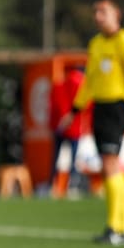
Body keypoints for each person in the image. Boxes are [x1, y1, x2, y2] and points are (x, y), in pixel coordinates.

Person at [58, 0, 124, 246]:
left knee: (110, 165)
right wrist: (75, 110)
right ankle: (122, 229)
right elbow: (90, 81)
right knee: (110, 166)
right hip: (99, 108)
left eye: (103, 12)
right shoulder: (96, 44)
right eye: (96, 12)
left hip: (116, 107)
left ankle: (117, 227)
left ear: (117, 15)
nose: (98, 17)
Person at [49, 66, 85, 197]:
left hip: (59, 126)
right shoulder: (81, 84)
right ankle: (72, 187)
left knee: (56, 158)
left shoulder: (59, 84)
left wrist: (61, 120)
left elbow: (55, 105)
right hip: (74, 128)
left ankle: (53, 186)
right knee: (73, 159)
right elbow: (86, 104)